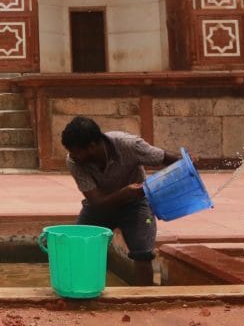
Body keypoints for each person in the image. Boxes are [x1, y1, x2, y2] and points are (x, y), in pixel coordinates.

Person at [60, 116, 180, 286]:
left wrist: (187, 163)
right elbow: (97, 202)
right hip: (99, 206)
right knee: (79, 245)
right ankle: (78, 289)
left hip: (136, 204)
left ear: (92, 146)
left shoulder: (129, 145)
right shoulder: (74, 162)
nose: (73, 156)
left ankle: (144, 298)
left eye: (76, 151)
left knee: (143, 253)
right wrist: (124, 193)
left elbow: (164, 158)